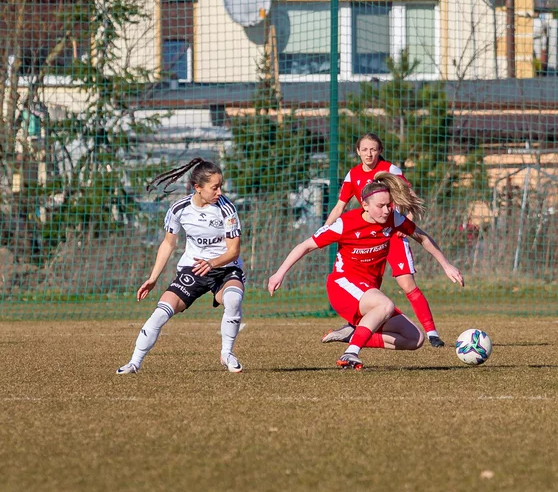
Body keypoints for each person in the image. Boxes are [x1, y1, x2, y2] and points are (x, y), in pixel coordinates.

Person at [267, 172, 464, 370]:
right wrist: (279, 273)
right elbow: (306, 246)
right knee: (385, 304)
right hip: (343, 286)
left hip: (368, 292)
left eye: (389, 205)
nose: (386, 210)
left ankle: (353, 335)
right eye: (381, 206)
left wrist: (446, 265)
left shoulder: (393, 219)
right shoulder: (345, 224)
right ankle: (351, 353)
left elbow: (423, 237)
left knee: (415, 339)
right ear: (365, 205)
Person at [116, 158, 246, 374]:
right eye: (215, 187)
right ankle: (134, 363)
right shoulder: (179, 209)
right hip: (193, 269)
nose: (220, 192)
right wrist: (153, 278)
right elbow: (168, 244)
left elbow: (234, 251)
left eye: (220, 186)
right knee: (161, 311)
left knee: (233, 299)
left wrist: (212, 263)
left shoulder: (227, 209)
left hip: (225, 269)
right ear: (197, 187)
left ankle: (227, 354)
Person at [320, 132, 446, 347]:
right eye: (365, 149)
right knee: (366, 284)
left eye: (373, 149)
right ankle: (354, 331)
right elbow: (340, 206)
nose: (369, 154)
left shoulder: (390, 170)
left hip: (392, 233)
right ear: (358, 151)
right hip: (368, 236)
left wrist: (407, 221)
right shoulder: (353, 174)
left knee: (407, 284)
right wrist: (324, 230)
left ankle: (432, 333)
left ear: (380, 150)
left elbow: (410, 198)